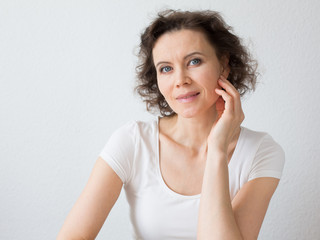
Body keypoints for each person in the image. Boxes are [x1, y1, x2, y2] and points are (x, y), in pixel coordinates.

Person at [57, 9, 285, 240]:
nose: (180, 80)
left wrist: (216, 149)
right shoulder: (133, 141)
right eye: (166, 68)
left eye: (194, 61)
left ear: (224, 65)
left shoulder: (261, 152)